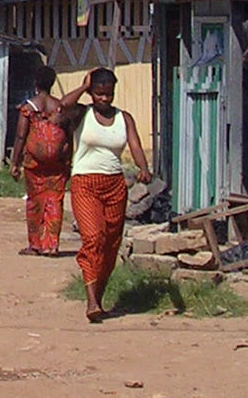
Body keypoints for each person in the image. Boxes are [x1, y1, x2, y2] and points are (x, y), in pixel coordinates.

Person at [58, 68, 152, 322]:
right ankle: (91, 303)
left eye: (108, 94)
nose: (104, 99)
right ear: (91, 93)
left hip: (114, 186)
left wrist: (144, 168)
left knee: (110, 243)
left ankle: (98, 296)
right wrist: (82, 86)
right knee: (93, 237)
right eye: (99, 93)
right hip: (84, 183)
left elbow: (134, 145)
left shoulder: (125, 118)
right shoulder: (81, 113)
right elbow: (61, 106)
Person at [10, 65, 70, 256]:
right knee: (55, 201)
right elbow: (68, 136)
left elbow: (20, 136)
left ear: (35, 83)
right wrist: (68, 160)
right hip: (57, 164)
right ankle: (52, 245)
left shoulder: (28, 108)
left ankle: (35, 245)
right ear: (52, 83)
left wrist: (15, 162)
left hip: (34, 164)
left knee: (35, 202)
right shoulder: (60, 108)